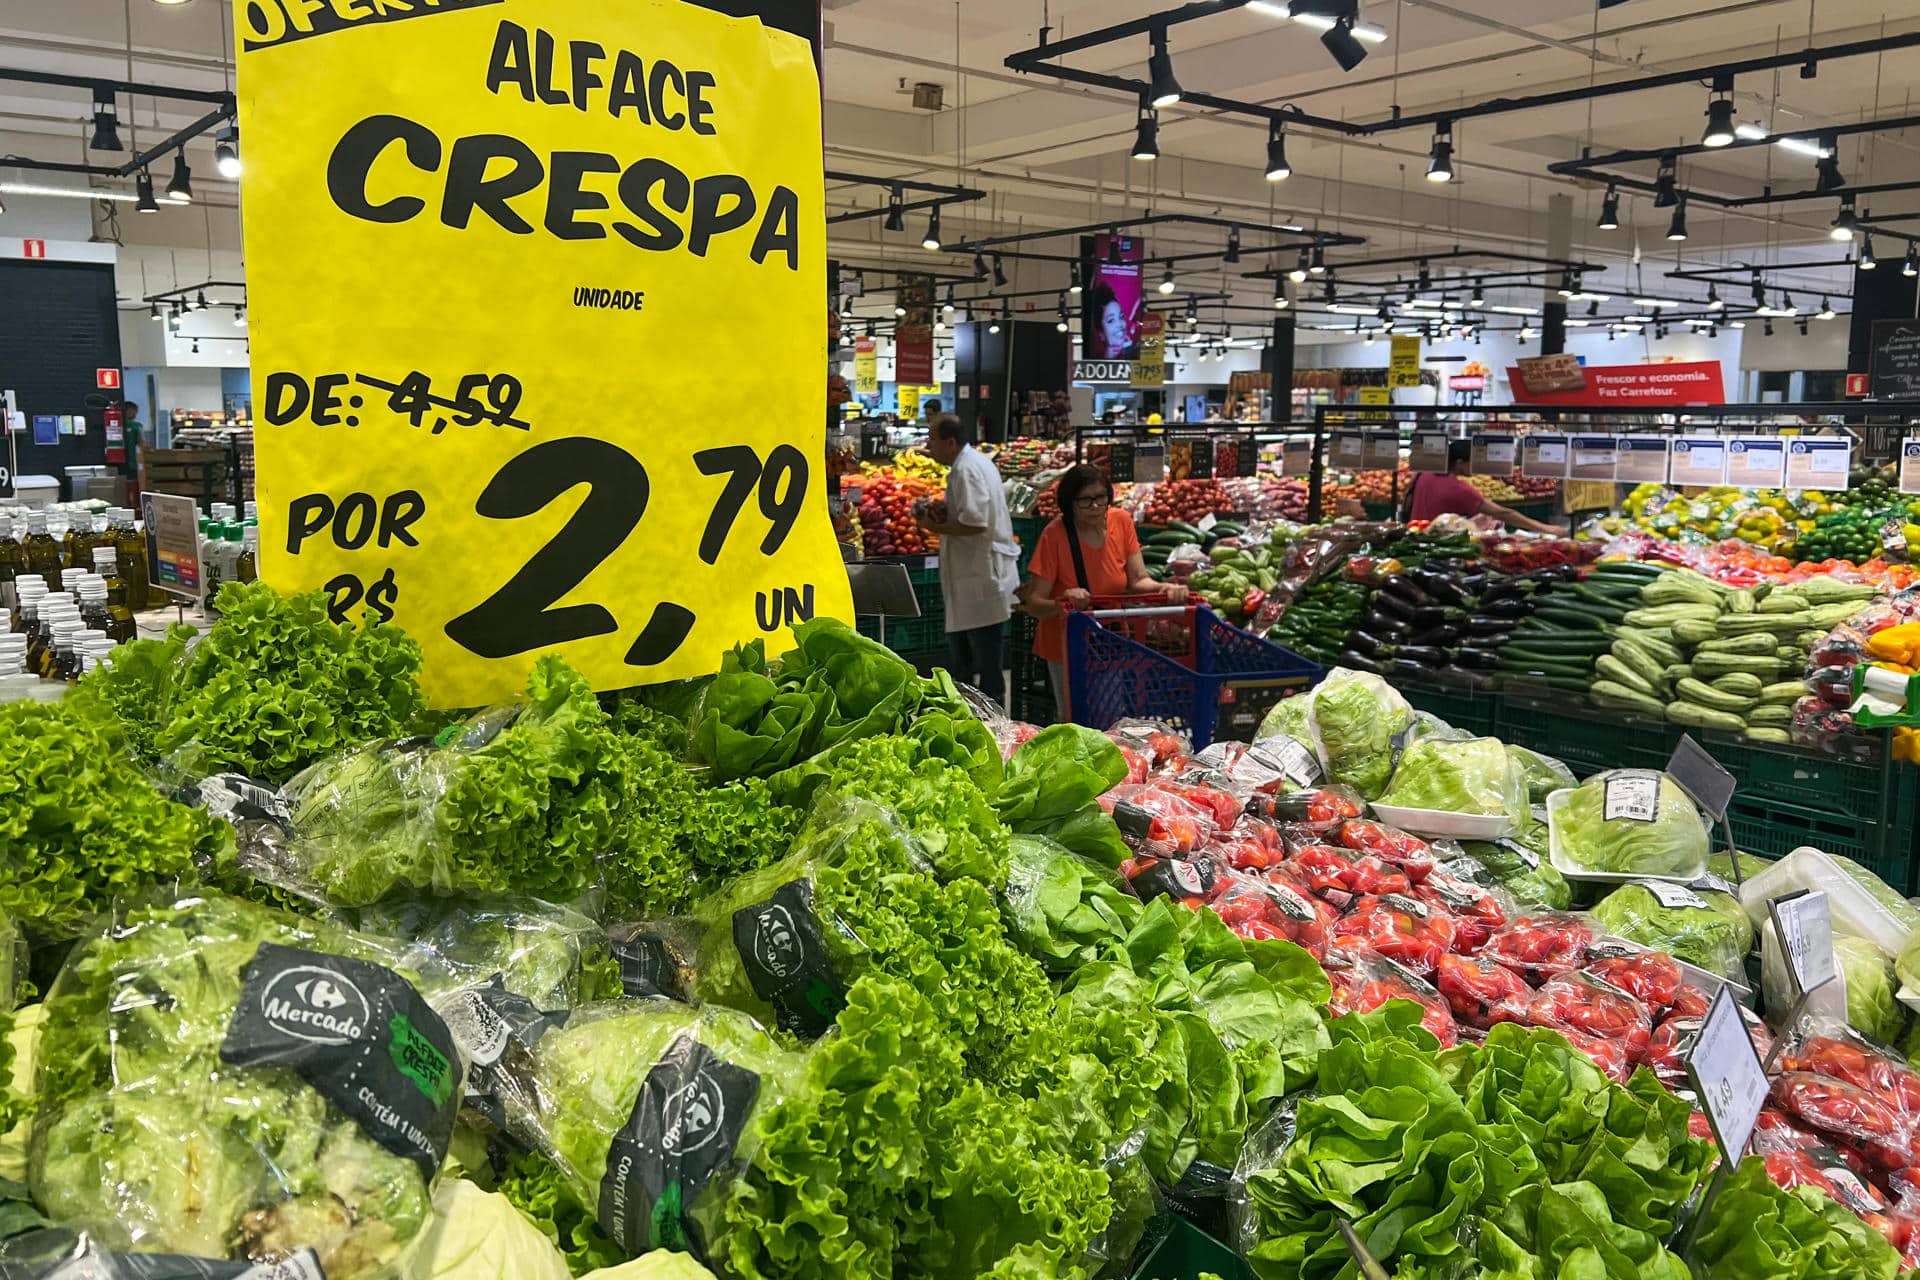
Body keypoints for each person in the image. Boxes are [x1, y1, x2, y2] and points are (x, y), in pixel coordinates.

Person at [1020, 464, 1187, 719]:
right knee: (1076, 718)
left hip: (1108, 638)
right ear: (1069, 503)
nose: (1095, 506)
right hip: (1066, 644)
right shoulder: (1054, 535)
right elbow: (1033, 602)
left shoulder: (1121, 521)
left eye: (1100, 498)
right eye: (1085, 501)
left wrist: (1165, 588)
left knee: (1111, 715)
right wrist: (1062, 602)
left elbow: (1138, 579)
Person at [919, 414, 1019, 709]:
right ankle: (976, 711)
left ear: (950, 441)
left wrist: (934, 527)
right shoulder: (974, 462)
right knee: (975, 651)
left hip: (980, 574)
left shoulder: (966, 469)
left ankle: (991, 716)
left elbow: (976, 523)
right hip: (975, 573)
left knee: (985, 655)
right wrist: (947, 509)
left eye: (932, 440)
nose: (929, 446)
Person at [1404, 439, 1561, 534]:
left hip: (1415, 535)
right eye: (1472, 462)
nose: (1476, 466)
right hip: (1440, 543)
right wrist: (1545, 528)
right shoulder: (1458, 489)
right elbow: (1503, 513)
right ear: (1459, 463)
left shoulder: (1423, 474)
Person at [1088, 280, 1136, 359]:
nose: (1120, 324)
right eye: (1111, 320)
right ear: (1101, 333)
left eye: (1121, 317)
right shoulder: (1095, 360)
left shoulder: (1135, 350)